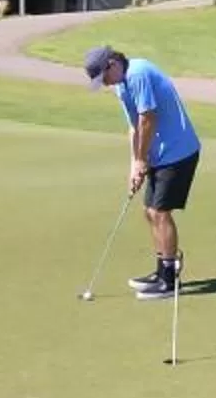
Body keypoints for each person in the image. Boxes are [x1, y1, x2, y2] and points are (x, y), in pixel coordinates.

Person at [83, 46, 200, 299]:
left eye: (104, 77)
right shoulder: (121, 85)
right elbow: (134, 126)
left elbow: (148, 118)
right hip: (159, 154)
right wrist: (134, 164)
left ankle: (169, 280)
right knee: (149, 212)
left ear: (113, 63)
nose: (104, 84)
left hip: (178, 151)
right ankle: (162, 270)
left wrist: (142, 158)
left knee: (159, 212)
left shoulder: (138, 73)